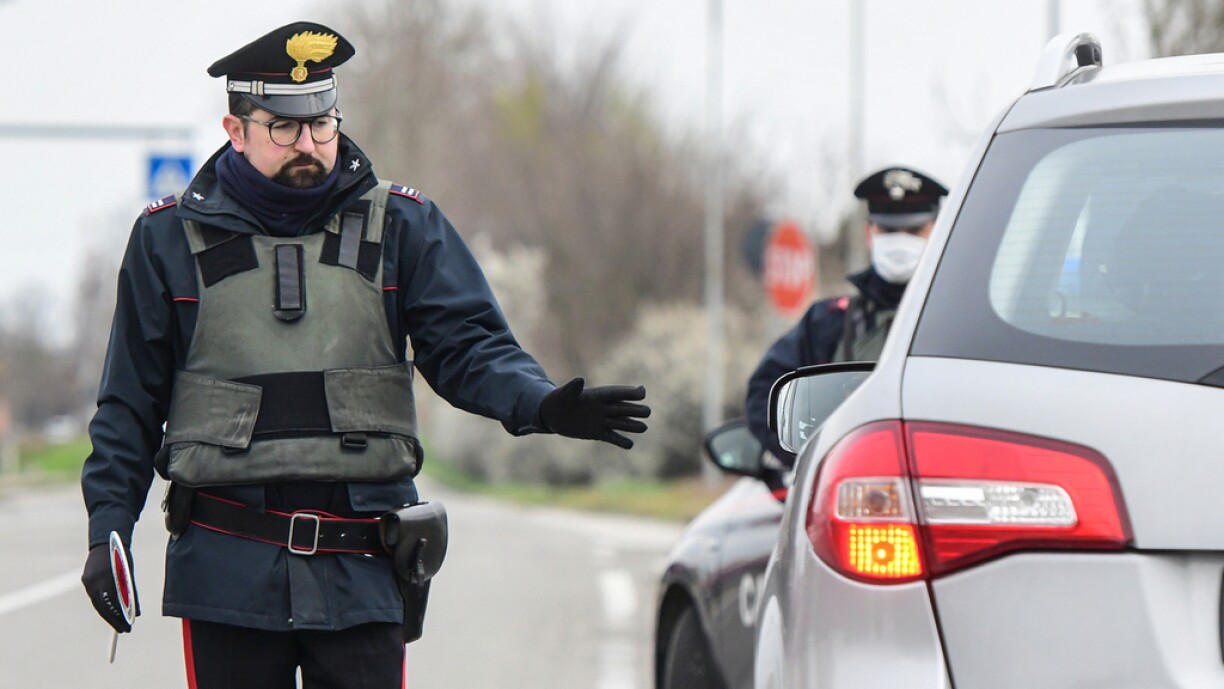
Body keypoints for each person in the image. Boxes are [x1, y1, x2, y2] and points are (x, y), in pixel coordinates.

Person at [79, 21, 650, 689]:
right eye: (284, 128)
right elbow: (129, 405)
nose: (311, 145)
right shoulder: (166, 240)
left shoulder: (403, 225)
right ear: (235, 129)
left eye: (323, 124)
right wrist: (108, 526)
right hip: (226, 570)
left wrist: (540, 401)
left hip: (363, 567)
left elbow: (469, 346)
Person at [744, 166, 948, 459]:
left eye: (914, 230)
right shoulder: (828, 322)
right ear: (869, 233)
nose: (900, 242)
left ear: (937, 231)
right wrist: (809, 462)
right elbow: (764, 396)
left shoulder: (958, 322)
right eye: (889, 230)